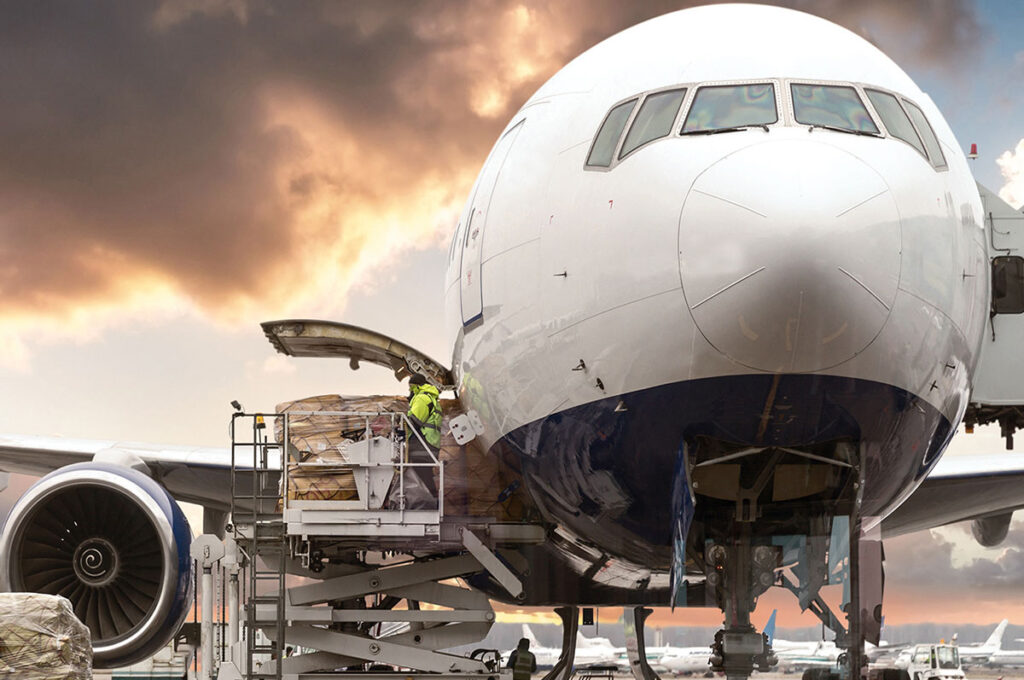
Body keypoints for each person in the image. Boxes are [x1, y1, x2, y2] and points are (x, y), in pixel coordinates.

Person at [405, 373, 442, 501]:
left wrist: (401, 423)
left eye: (410, 386)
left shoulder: (421, 398)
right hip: (431, 442)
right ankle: (430, 499)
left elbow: (415, 421)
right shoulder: (430, 397)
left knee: (420, 471)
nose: (409, 390)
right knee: (424, 472)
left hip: (424, 442)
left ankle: (430, 500)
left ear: (415, 385)